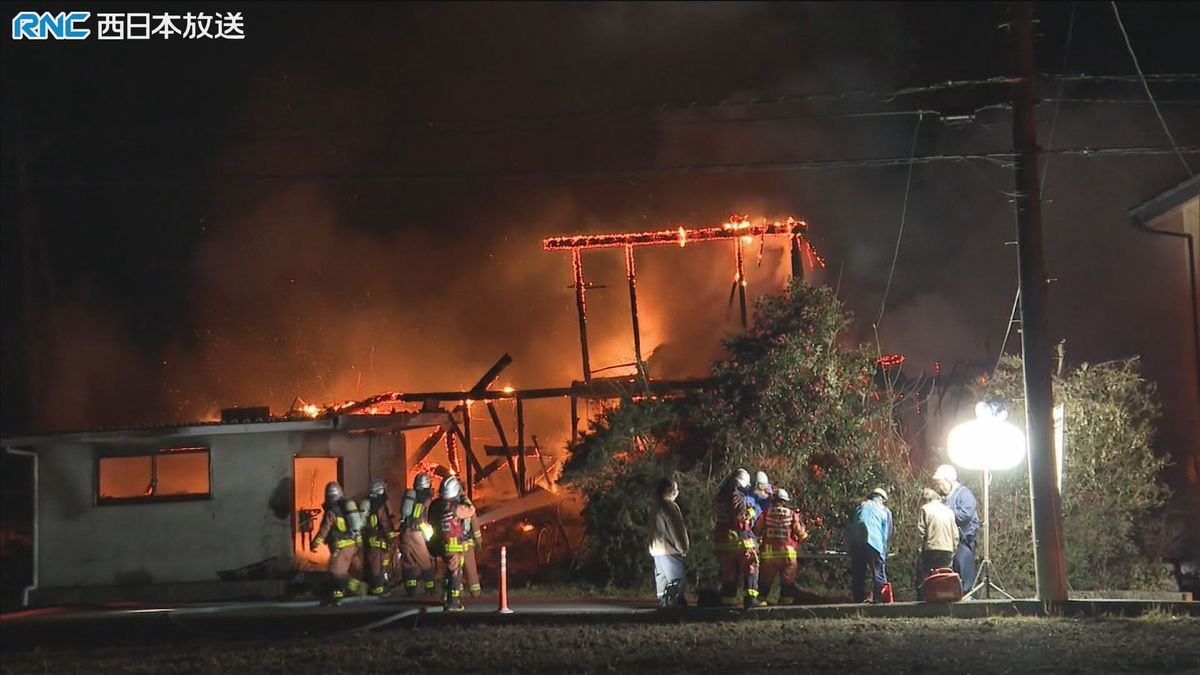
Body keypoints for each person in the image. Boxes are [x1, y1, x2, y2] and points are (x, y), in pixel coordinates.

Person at [713, 468, 761, 608]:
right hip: (740, 539)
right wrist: (752, 512)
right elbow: (741, 520)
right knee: (750, 565)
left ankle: (728, 601)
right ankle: (751, 599)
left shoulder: (720, 496)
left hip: (723, 540)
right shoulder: (736, 495)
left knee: (729, 571)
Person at [310, 481, 364, 605]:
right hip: (351, 547)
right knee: (341, 572)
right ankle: (337, 595)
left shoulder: (331, 512)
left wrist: (314, 544)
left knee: (336, 573)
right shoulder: (346, 510)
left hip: (340, 549)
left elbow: (324, 530)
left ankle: (359, 589)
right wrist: (359, 544)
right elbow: (356, 528)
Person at [426, 476, 476, 611]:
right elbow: (471, 511)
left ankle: (445, 595)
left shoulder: (435, 505)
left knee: (448, 570)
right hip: (453, 546)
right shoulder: (456, 507)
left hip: (438, 545)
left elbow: (429, 520)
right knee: (455, 573)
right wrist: (464, 498)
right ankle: (453, 602)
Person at [756, 488, 807, 605]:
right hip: (788, 555)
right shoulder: (792, 514)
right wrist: (804, 534)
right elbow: (800, 533)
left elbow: (757, 529)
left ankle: (759, 604)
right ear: (785, 501)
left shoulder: (766, 513)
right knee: (787, 584)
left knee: (764, 583)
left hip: (769, 556)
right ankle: (785, 608)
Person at [933, 464, 980, 592]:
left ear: (949, 480)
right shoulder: (945, 498)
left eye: (941, 483)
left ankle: (968, 594)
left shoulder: (964, 494)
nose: (939, 486)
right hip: (950, 541)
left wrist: (947, 512)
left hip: (964, 539)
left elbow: (965, 515)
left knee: (963, 565)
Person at [648, 477, 690, 608]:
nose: (677, 492)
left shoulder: (654, 506)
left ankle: (663, 603)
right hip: (670, 549)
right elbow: (676, 528)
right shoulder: (669, 506)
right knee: (675, 580)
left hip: (656, 550)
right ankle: (675, 605)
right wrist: (683, 547)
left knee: (662, 581)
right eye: (675, 489)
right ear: (669, 490)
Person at [847, 487, 893, 603]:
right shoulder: (884, 510)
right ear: (883, 499)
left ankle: (858, 600)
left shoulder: (861, 506)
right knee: (878, 572)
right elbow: (886, 532)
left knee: (858, 572)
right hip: (874, 542)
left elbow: (853, 526)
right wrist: (884, 550)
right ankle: (879, 600)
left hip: (856, 542)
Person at [915, 487, 959, 598]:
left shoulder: (925, 509)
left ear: (927, 499)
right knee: (945, 577)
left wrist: (919, 548)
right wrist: (954, 548)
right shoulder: (949, 511)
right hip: (947, 548)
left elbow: (921, 531)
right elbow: (955, 533)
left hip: (931, 548)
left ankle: (928, 600)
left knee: (929, 577)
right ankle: (944, 600)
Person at [398, 473, 437, 597]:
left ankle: (411, 590)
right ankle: (430, 588)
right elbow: (424, 518)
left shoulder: (409, 496)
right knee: (425, 561)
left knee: (409, 562)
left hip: (404, 532)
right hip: (416, 533)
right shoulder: (426, 499)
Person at [362, 479, 398, 597]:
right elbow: (385, 523)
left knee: (370, 565)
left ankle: (371, 587)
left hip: (368, 540)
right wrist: (391, 538)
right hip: (378, 540)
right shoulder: (380, 505)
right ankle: (379, 591)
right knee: (378, 566)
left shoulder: (366, 502)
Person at [461, 491, 483, 597]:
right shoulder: (468, 506)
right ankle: (475, 593)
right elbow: (475, 525)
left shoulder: (450, 504)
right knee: (471, 569)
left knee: (455, 569)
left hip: (453, 543)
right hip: (467, 543)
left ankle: (456, 592)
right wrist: (478, 541)